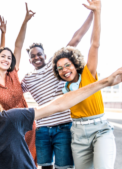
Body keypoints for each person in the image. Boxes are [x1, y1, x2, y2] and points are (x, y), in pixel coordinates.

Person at [18, 3, 93, 169]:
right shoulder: (27, 79)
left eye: (39, 54)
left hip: (65, 127)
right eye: (33, 56)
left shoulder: (56, 65)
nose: (37, 57)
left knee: (64, 166)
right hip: (43, 129)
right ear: (29, 60)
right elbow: (10, 89)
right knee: (44, 166)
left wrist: (93, 13)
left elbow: (76, 39)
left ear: (45, 55)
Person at [52, 1, 115, 168]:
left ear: (75, 64)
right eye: (60, 68)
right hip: (78, 135)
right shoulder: (65, 90)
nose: (64, 70)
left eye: (67, 65)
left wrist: (97, 12)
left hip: (100, 130)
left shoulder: (88, 73)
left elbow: (95, 44)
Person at [0, 3, 37, 164]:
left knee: (30, 162)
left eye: (9, 57)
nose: (6, 59)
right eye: (3, 57)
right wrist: (3, 34)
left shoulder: (13, 74)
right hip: (6, 130)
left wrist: (25, 21)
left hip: (27, 127)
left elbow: (18, 45)